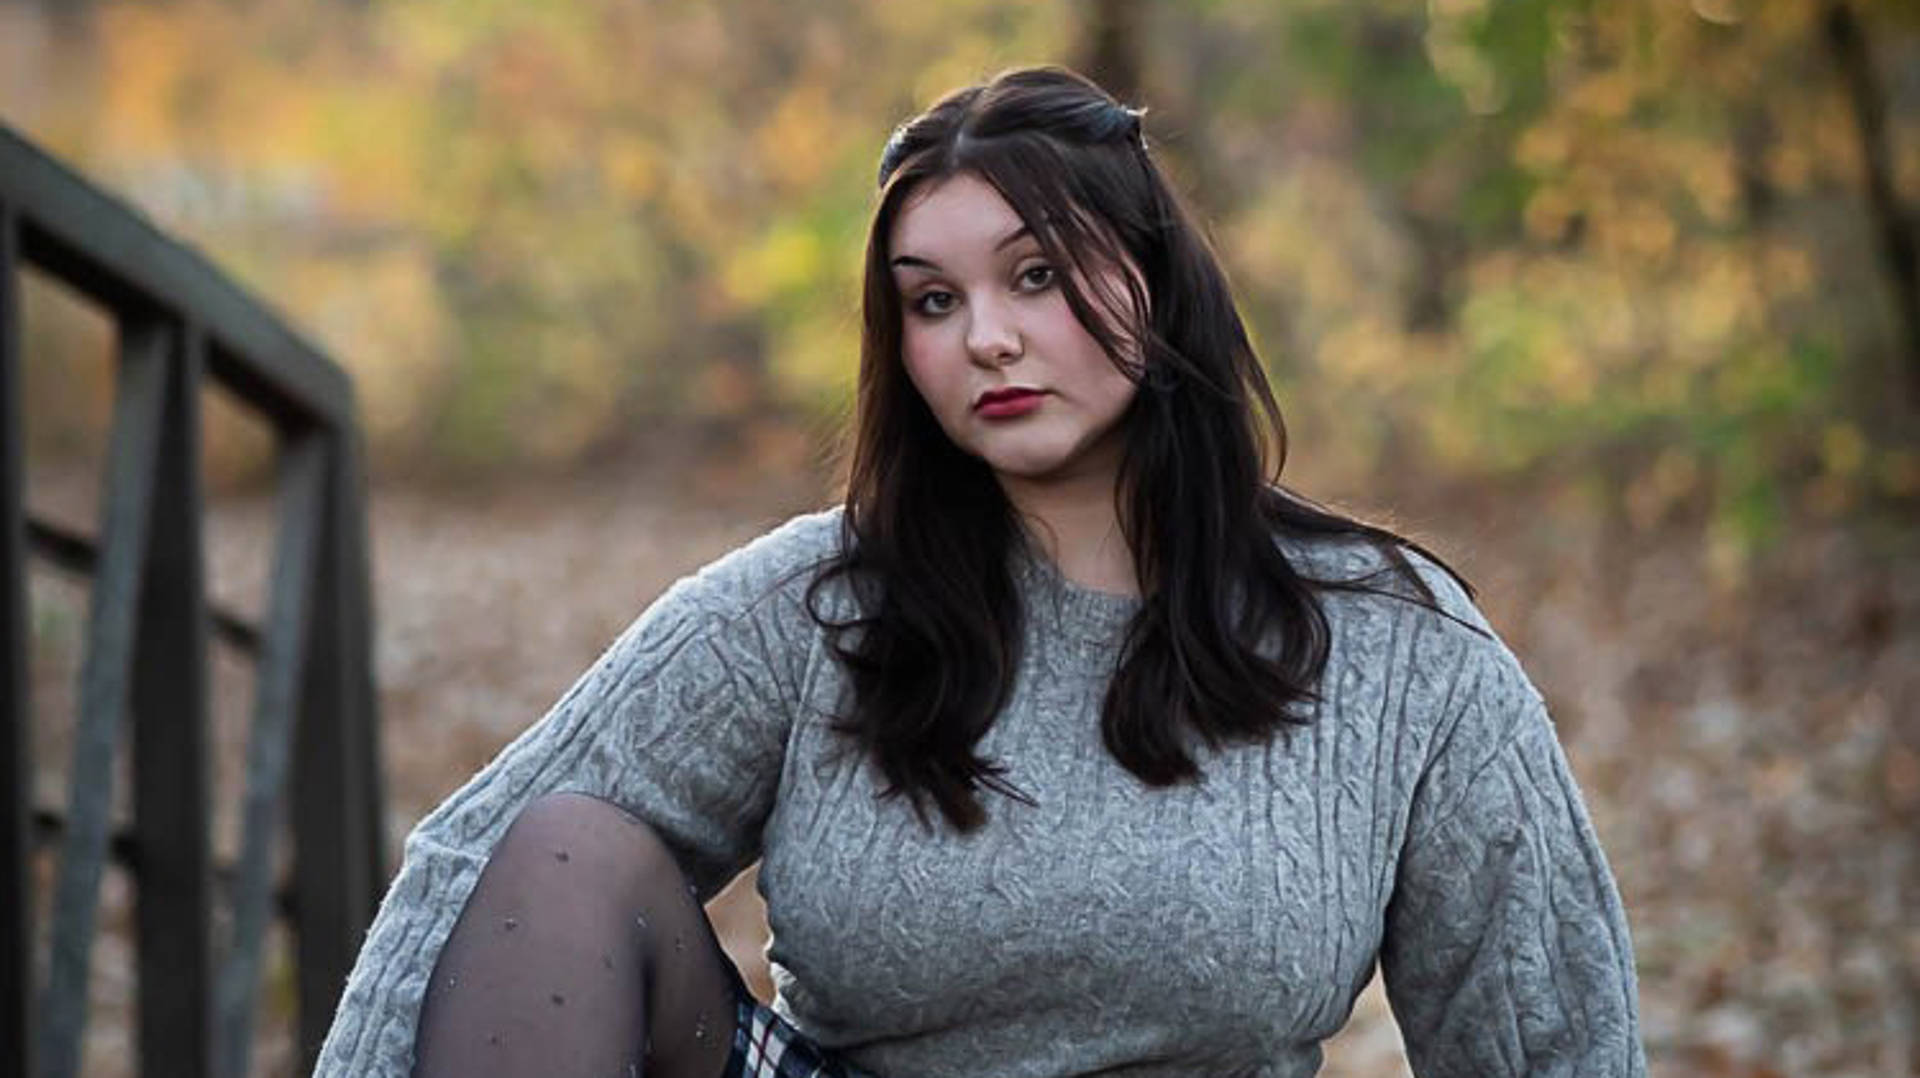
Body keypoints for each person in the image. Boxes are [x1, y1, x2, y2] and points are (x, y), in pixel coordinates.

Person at [317, 66, 1645, 1077]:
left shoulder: (1394, 643)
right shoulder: (817, 608)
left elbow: (1549, 1024)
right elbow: (471, 864)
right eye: (933, 301)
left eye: (1038, 276)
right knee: (564, 848)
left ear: (1155, 285)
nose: (990, 339)